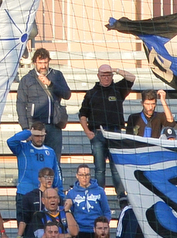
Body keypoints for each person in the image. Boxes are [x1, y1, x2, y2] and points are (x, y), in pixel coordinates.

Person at [77, 64, 135, 197]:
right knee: (99, 169)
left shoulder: (118, 89)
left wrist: (116, 69)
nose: (106, 78)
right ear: (98, 76)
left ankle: (121, 196)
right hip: (98, 133)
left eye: (109, 75)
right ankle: (99, 195)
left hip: (115, 133)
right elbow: (82, 115)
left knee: (117, 169)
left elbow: (132, 78)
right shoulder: (92, 93)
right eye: (103, 75)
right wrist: (87, 132)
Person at [16, 48, 71, 158]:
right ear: (34, 62)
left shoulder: (57, 75)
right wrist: (25, 127)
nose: (43, 66)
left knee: (54, 160)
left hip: (54, 126)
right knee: (35, 160)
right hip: (34, 126)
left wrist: (50, 84)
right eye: (40, 63)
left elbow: (67, 94)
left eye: (45, 62)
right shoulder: (27, 79)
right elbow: (21, 104)